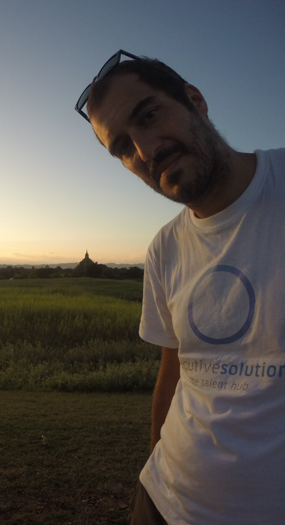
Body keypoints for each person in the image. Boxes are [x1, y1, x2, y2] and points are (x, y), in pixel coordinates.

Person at [75, 50, 285, 523]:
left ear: (194, 100)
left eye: (149, 115)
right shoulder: (165, 248)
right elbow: (173, 371)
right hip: (162, 498)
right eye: (123, 147)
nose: (146, 150)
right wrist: (154, 460)